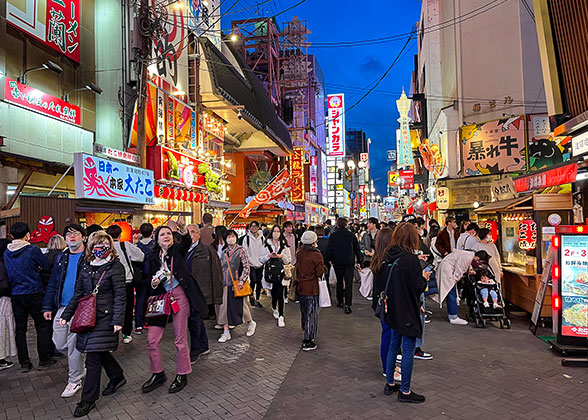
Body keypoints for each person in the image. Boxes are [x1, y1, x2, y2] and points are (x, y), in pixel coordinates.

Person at [59, 231, 126, 417]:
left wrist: (118, 320)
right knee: (99, 351)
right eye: (97, 244)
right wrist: (67, 314)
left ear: (110, 245)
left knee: (93, 357)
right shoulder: (86, 266)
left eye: (104, 243)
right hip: (87, 317)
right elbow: (78, 293)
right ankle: (117, 376)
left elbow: (120, 295)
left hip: (106, 318)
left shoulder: (115, 266)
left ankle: (87, 399)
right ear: (90, 246)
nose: (100, 247)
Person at [143, 226, 208, 394]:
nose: (166, 236)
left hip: (179, 296)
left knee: (180, 338)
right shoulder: (151, 257)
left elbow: (186, 242)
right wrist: (153, 283)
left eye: (169, 234)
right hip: (159, 299)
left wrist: (184, 231)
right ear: (156, 239)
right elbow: (146, 280)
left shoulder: (177, 251)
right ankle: (157, 373)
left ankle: (182, 373)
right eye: (162, 234)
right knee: (152, 339)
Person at [380, 222, 429, 403]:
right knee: (408, 348)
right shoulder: (411, 260)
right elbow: (417, 287)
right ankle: (406, 391)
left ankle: (390, 382)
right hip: (407, 309)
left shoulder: (389, 255)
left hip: (392, 308)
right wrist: (424, 278)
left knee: (394, 344)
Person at [41, 224, 87, 398]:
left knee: (74, 344)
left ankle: (74, 380)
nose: (72, 237)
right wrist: (47, 306)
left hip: (80, 307)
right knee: (59, 343)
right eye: (68, 234)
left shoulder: (88, 257)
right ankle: (80, 363)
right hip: (61, 307)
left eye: (75, 233)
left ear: (83, 237)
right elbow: (53, 282)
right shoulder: (62, 257)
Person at [4, 222, 54, 373]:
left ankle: (24, 363)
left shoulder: (6, 252)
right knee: (42, 326)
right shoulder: (32, 250)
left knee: (20, 329)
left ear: (11, 236)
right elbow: (46, 266)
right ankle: (44, 359)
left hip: (16, 294)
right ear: (28, 235)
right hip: (35, 292)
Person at [186, 223, 223, 363]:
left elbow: (216, 273)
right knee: (194, 320)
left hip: (200, 292)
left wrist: (215, 296)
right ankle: (203, 345)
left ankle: (196, 349)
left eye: (194, 232)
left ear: (199, 234)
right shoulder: (183, 251)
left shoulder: (207, 251)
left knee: (194, 320)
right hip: (187, 291)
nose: (191, 235)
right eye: (188, 232)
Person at [106, 224, 144, 344]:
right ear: (120, 234)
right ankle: (126, 334)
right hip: (126, 282)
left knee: (111, 310)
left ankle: (112, 336)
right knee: (127, 309)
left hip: (110, 284)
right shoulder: (125, 245)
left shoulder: (105, 247)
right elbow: (141, 256)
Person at [217, 230, 257, 342]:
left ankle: (250, 322)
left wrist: (241, 281)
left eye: (233, 236)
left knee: (243, 306)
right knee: (224, 307)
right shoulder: (224, 251)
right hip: (225, 283)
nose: (231, 238)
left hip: (237, 284)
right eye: (228, 236)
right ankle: (226, 332)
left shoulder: (241, 250)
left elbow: (246, 267)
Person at [370, 227, 398, 378]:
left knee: (387, 333)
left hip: (380, 302)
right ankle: (388, 369)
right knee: (389, 335)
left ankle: (389, 366)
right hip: (388, 303)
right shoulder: (389, 259)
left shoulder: (378, 257)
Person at [437, 249, 490, 325]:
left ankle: (453, 315)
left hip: (447, 269)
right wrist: (455, 279)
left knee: (446, 289)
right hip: (448, 271)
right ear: (478, 258)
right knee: (451, 292)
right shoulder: (467, 257)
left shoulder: (469, 255)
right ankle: (453, 317)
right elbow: (459, 270)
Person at [295, 231, 324, 351]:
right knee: (311, 314)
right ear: (314, 241)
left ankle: (305, 330)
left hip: (300, 286)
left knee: (304, 311)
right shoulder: (317, 255)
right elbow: (319, 272)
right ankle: (308, 339)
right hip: (312, 287)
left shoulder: (299, 253)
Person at [326, 217, 362, 314]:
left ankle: (340, 301)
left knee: (339, 281)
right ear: (346, 225)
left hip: (337, 262)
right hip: (349, 262)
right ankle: (348, 305)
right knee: (349, 283)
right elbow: (357, 249)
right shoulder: (351, 235)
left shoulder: (334, 235)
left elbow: (329, 249)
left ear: (337, 224)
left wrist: (329, 259)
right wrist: (359, 261)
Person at [260, 226, 292, 328]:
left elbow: (288, 260)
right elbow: (261, 259)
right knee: (274, 293)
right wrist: (268, 256)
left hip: (282, 273)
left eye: (278, 231)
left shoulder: (284, 245)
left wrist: (281, 256)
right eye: (274, 231)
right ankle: (274, 308)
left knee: (281, 294)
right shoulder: (266, 245)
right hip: (270, 273)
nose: (276, 233)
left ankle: (281, 316)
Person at [135, 223, 155, 334]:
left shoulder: (136, 246)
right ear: (152, 232)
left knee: (140, 300)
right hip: (153, 276)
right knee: (153, 300)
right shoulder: (155, 245)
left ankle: (139, 324)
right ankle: (151, 321)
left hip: (140, 277)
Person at [0, 238, 16, 371]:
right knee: (3, 328)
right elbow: (5, 284)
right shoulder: (3, 263)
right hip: (3, 299)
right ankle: (1, 359)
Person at [240, 221, 265, 308]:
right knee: (253, 280)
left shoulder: (262, 238)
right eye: (252, 226)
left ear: (258, 227)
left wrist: (262, 260)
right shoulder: (246, 238)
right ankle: (251, 296)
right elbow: (245, 251)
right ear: (249, 228)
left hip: (260, 263)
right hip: (251, 264)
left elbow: (264, 249)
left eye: (255, 226)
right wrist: (249, 261)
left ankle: (257, 299)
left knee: (259, 281)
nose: (253, 228)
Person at [283, 221, 297, 303]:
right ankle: (285, 296)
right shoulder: (282, 237)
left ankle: (292, 295)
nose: (291, 228)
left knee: (292, 278)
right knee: (285, 278)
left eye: (291, 227)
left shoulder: (293, 236)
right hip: (285, 260)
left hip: (293, 259)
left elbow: (293, 247)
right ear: (285, 228)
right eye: (289, 227)